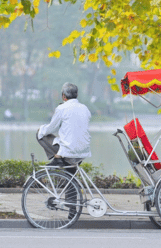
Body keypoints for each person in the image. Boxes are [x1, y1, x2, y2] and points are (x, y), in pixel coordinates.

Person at [37, 82, 91, 219]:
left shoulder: (62, 109)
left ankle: (57, 158)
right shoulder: (85, 108)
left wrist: (40, 130)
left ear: (63, 96)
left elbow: (51, 128)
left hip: (68, 151)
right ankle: (72, 211)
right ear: (76, 95)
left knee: (41, 134)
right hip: (82, 151)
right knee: (70, 176)